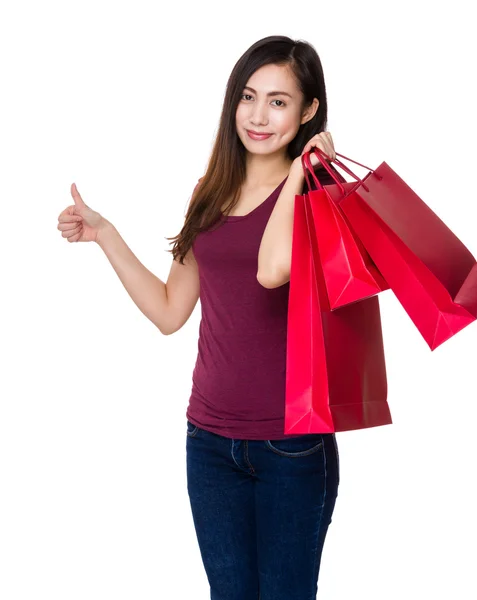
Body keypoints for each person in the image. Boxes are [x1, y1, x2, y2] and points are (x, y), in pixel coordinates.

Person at [57, 34, 341, 600]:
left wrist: (297, 175)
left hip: (292, 444)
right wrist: (106, 235)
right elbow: (169, 312)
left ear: (309, 111)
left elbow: (271, 268)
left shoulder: (320, 192)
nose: (258, 117)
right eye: (248, 97)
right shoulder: (209, 192)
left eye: (279, 102)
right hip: (209, 439)